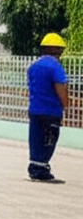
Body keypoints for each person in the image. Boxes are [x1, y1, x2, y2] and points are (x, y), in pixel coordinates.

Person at [27, 33, 69, 182]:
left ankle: (34, 166)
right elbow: (60, 87)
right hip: (51, 111)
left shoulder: (33, 66)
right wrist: (66, 104)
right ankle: (41, 168)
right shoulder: (55, 67)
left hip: (35, 110)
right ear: (57, 50)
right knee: (49, 139)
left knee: (36, 138)